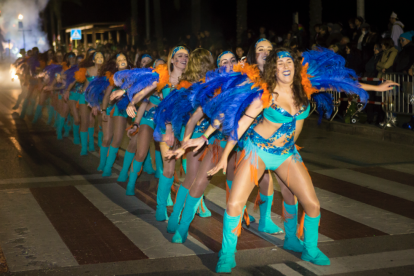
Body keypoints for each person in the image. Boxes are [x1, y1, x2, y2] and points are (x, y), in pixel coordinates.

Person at [205, 47, 398, 273]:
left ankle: (310, 249)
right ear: (273, 70)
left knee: (313, 205)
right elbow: (240, 125)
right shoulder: (265, 93)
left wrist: (376, 87)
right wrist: (224, 157)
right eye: (279, 63)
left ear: (295, 66)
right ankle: (227, 254)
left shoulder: (305, 87)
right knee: (235, 204)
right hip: (258, 151)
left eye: (288, 62)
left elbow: (341, 84)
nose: (285, 66)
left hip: (287, 154)